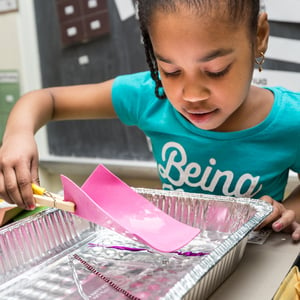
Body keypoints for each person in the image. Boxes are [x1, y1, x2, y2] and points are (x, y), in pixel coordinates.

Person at [1, 0, 300, 239]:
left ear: (259, 37)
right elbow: (46, 101)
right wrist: (17, 134)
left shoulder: (291, 119)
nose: (192, 95)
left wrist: (286, 211)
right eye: (170, 71)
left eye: (216, 70)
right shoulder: (149, 96)